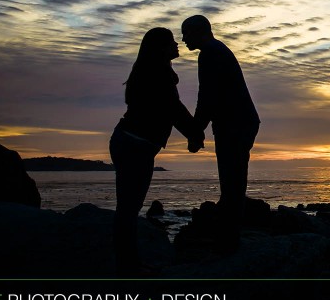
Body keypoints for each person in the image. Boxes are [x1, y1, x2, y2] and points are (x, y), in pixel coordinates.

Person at [109, 27, 198, 276]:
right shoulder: (157, 74)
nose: (177, 44)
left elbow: (171, 109)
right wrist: (195, 133)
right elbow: (173, 108)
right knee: (128, 209)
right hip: (134, 145)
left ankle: (128, 264)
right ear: (161, 48)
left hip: (133, 144)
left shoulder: (154, 72)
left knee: (128, 208)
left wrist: (193, 132)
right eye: (171, 41)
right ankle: (127, 267)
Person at [182, 14, 260, 253]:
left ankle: (228, 241)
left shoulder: (210, 53)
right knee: (233, 183)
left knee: (232, 183)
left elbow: (207, 96)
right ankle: (228, 237)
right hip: (237, 124)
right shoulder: (216, 51)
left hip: (235, 125)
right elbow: (209, 97)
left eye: (186, 33)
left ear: (199, 31)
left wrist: (195, 132)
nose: (183, 39)